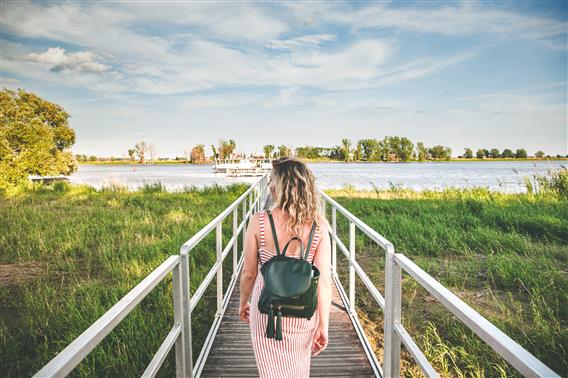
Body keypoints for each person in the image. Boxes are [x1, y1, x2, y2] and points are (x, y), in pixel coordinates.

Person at [239, 157, 332, 377]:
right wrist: (324, 325)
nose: (269, 185)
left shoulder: (259, 221)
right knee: (298, 371)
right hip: (303, 312)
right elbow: (324, 282)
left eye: (272, 180)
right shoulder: (318, 228)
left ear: (281, 186)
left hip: (266, 310)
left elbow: (249, 272)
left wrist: (243, 302)